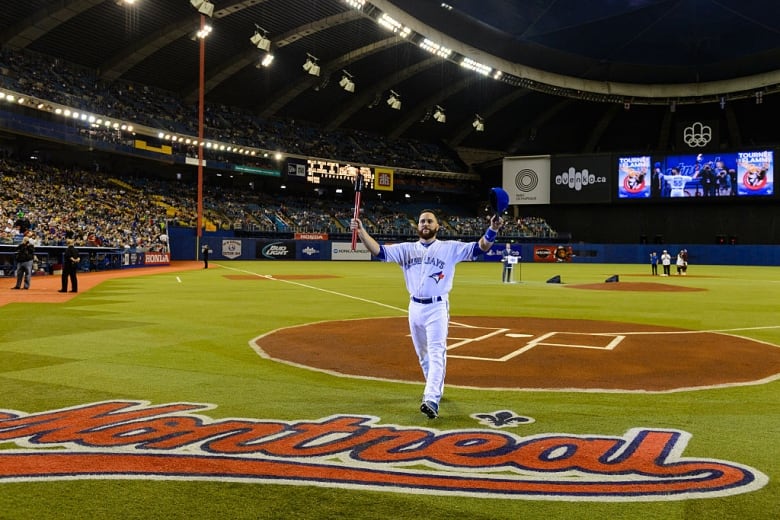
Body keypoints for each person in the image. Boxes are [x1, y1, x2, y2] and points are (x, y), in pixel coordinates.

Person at [350, 209, 503, 419]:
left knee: (436, 352)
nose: (425, 224)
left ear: (437, 226)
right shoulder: (406, 249)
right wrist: (361, 232)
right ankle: (434, 389)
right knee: (423, 355)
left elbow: (480, 248)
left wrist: (493, 229)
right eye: (422, 221)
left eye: (430, 221)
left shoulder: (450, 248)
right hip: (414, 308)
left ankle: (431, 398)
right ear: (417, 226)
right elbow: (379, 252)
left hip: (437, 308)